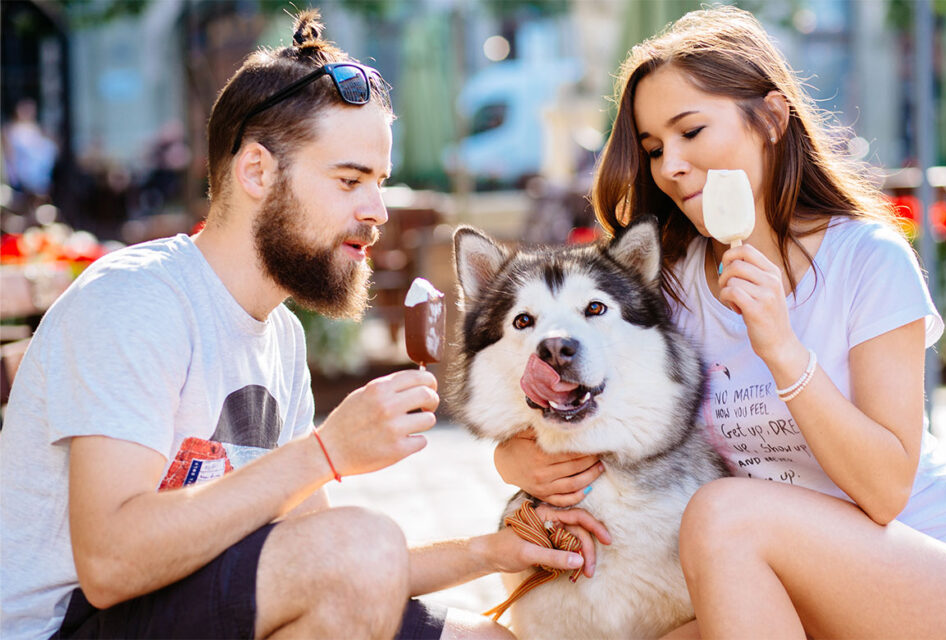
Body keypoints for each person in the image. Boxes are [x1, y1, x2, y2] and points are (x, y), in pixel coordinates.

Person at [0, 10, 611, 640]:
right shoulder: (138, 300)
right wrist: (327, 452)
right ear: (258, 171)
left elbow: (326, 563)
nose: (375, 211)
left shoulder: (280, 336)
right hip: (74, 625)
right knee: (357, 542)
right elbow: (108, 563)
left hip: (200, 608)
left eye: (379, 182)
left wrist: (492, 551)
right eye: (350, 180)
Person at [493, 6, 946, 639]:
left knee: (722, 512)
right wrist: (513, 462)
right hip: (775, 577)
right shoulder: (673, 286)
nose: (671, 166)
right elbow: (586, 406)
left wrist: (782, 348)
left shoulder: (867, 258)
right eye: (655, 148)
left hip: (919, 565)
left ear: (771, 118)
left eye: (691, 132)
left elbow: (885, 492)